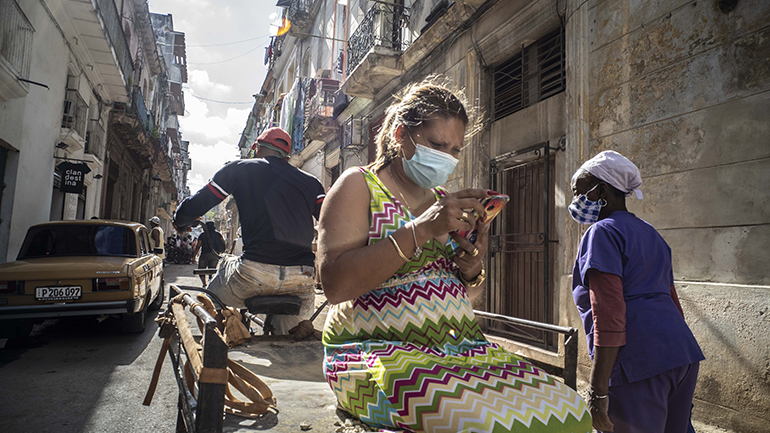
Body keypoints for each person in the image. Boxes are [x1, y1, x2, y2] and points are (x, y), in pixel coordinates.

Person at [317, 78, 592, 432]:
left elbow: (467, 297)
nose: (446, 157)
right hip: (380, 354)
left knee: (570, 414)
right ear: (401, 135)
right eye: (436, 144)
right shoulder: (358, 185)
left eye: (455, 150)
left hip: (461, 350)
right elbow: (335, 285)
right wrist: (422, 229)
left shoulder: (443, 199)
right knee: (479, 425)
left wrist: (471, 267)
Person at [568, 150, 704, 432]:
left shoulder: (601, 232)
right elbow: (671, 299)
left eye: (579, 193)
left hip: (638, 362)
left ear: (602, 190)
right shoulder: (650, 232)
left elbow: (608, 314)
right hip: (681, 353)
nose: (575, 202)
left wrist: (598, 391)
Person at [174, 126, 325, 334]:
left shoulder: (238, 168)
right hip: (302, 278)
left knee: (213, 292)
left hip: (253, 274)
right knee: (290, 335)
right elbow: (330, 221)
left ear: (256, 148)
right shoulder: (312, 183)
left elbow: (193, 207)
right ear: (287, 158)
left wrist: (181, 221)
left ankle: (217, 349)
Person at [193, 221, 226, 287]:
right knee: (212, 270)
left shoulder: (202, 235)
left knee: (201, 270)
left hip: (204, 254)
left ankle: (204, 284)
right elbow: (223, 244)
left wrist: (194, 256)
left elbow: (198, 246)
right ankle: (211, 282)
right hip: (215, 255)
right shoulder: (218, 234)